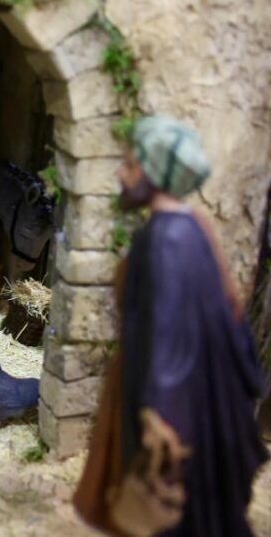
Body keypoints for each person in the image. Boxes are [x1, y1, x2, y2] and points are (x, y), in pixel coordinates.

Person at [73, 116, 268, 536]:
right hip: (182, 399)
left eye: (129, 165)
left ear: (153, 172)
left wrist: (159, 420)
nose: (122, 175)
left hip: (167, 408)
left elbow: (171, 337)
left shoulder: (165, 240)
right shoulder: (191, 228)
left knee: (165, 512)